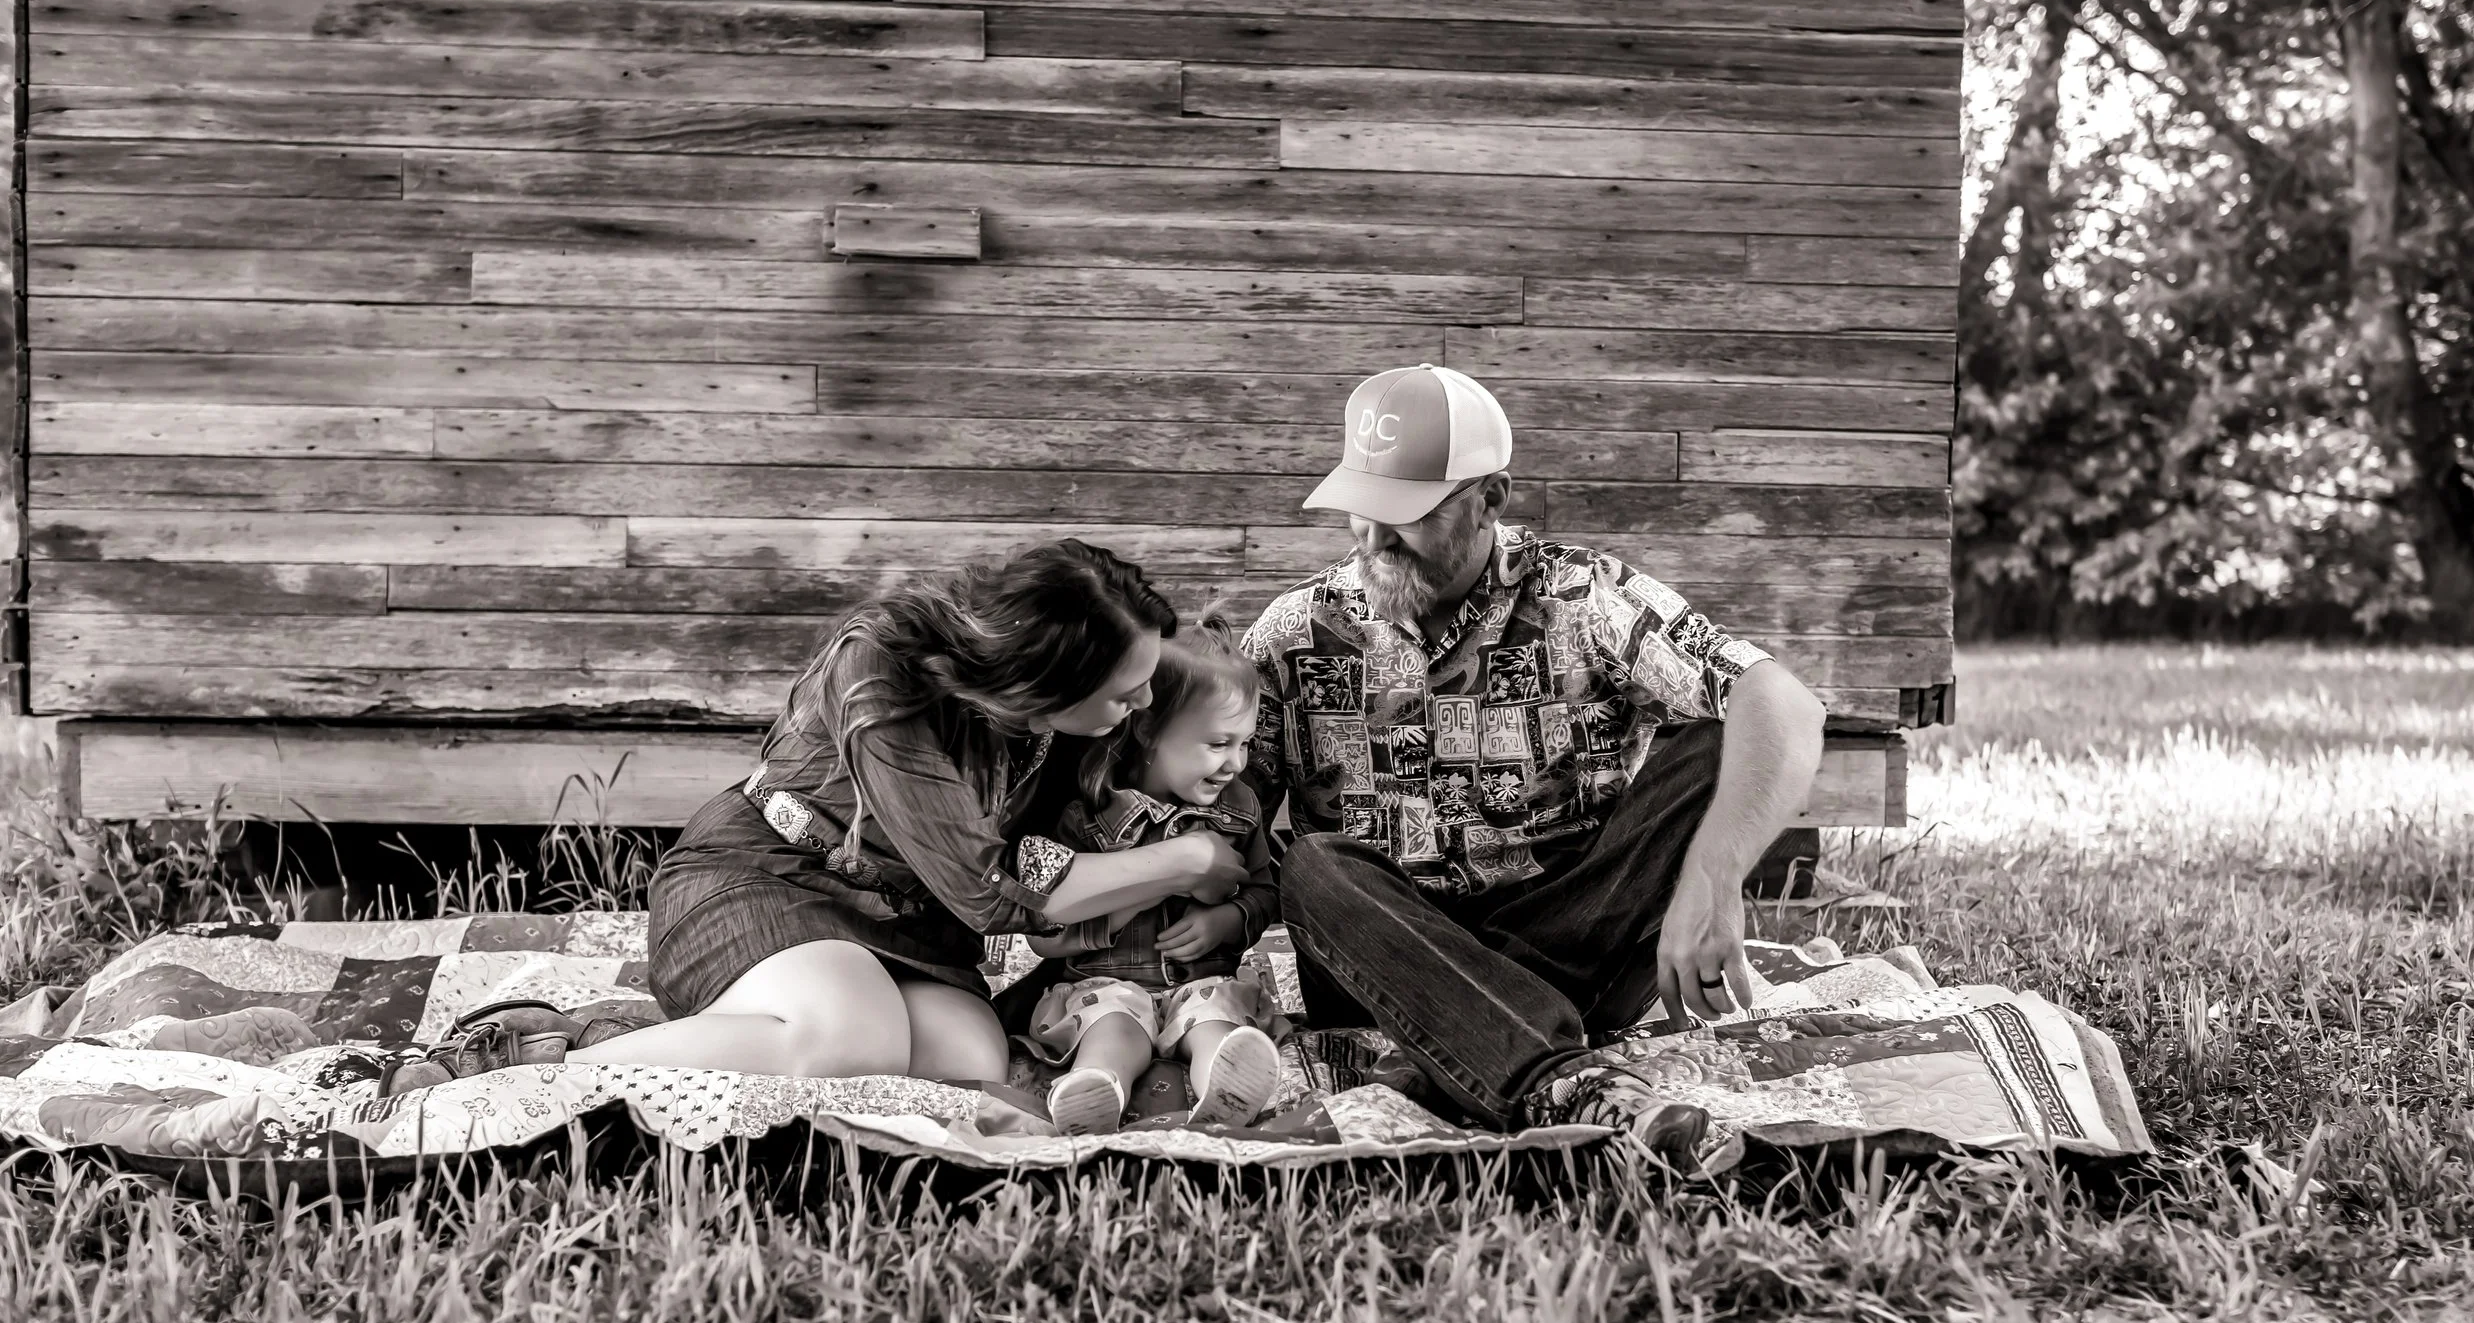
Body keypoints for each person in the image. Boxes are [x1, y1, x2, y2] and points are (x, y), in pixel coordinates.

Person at [390, 541, 1252, 1093]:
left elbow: (1048, 860)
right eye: (1124, 690)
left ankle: (644, 1038)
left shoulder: (1056, 724)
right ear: (1044, 682)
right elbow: (994, 892)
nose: (1142, 703)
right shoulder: (886, 675)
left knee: (971, 1060)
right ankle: (535, 1066)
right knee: (851, 1037)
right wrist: (1188, 862)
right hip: (762, 883)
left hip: (906, 927)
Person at [1242, 363, 1829, 1157]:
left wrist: (1714, 882)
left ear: (1491, 499)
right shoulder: (1293, 632)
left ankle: (1455, 1051)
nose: (1373, 538)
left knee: (1721, 731)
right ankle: (1564, 1079)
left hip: (1573, 940)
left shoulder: (1582, 595)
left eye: (1406, 515)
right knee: (1312, 866)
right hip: (1382, 954)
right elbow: (1219, 813)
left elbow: (1784, 702)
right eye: (1361, 508)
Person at [1015, 617, 1284, 1134]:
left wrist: (1228, 920)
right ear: (1148, 729)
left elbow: (1264, 891)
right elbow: (1045, 935)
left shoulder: (1241, 809)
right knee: (1113, 1024)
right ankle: (1096, 1089)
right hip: (1107, 982)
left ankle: (1223, 1097)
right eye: (1217, 743)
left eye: (1245, 744)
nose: (1235, 763)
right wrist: (1128, 905)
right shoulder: (1088, 816)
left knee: (1216, 1024)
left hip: (1201, 983)